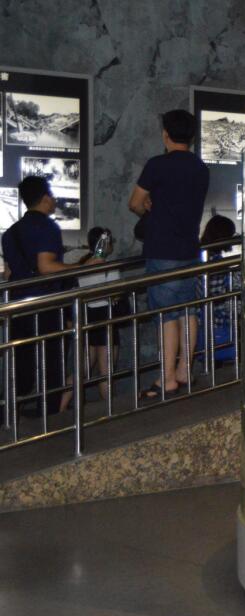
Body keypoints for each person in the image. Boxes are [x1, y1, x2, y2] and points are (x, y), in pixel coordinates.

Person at [2, 176, 103, 416]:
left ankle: (9, 420)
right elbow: (46, 266)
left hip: (18, 307)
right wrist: (85, 268)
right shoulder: (47, 227)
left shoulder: (10, 233)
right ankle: (49, 422)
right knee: (51, 367)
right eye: (52, 196)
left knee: (21, 369)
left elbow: (8, 274)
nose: (54, 200)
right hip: (46, 307)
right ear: (45, 198)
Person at [128, 109, 209, 400]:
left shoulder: (158, 165)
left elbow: (135, 203)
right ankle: (185, 370)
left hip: (162, 248)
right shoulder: (200, 168)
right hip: (189, 247)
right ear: (192, 136)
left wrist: (150, 207)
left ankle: (167, 378)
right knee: (189, 310)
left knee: (166, 314)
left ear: (165, 134)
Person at [60, 227, 128, 408]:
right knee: (106, 373)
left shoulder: (82, 265)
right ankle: (110, 410)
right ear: (105, 244)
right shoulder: (108, 266)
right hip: (107, 319)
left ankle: (59, 408)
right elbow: (117, 294)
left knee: (80, 370)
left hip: (87, 320)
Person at [195, 214, 239, 364]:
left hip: (201, 326)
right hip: (220, 326)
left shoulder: (199, 259)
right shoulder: (219, 265)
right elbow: (222, 298)